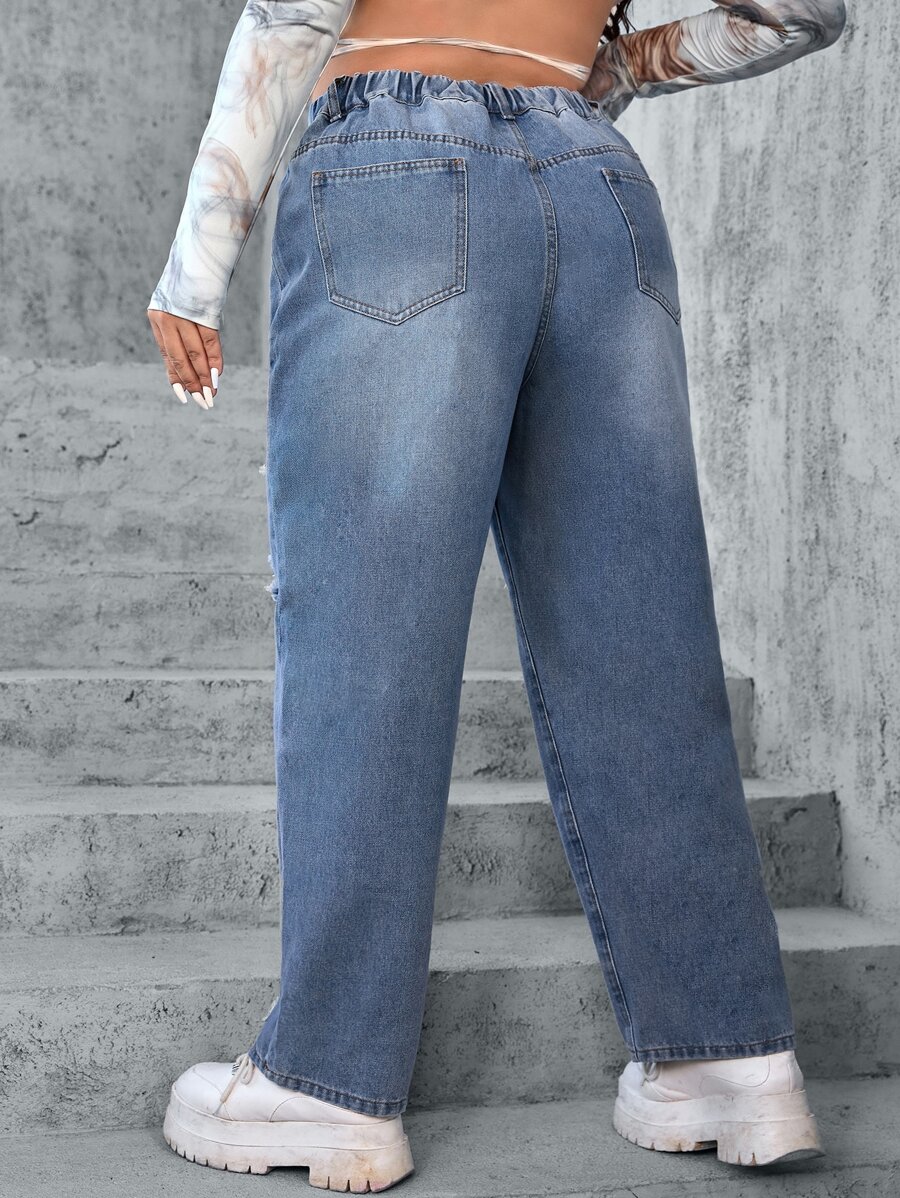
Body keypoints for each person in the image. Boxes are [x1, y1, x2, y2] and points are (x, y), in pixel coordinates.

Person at [147, 1, 847, 1189]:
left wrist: (195, 263)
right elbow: (801, 11)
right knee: (639, 638)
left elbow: (298, 10)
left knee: (368, 636)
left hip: (397, 169)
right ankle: (728, 1053)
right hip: (595, 181)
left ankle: (327, 1081)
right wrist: (614, 64)